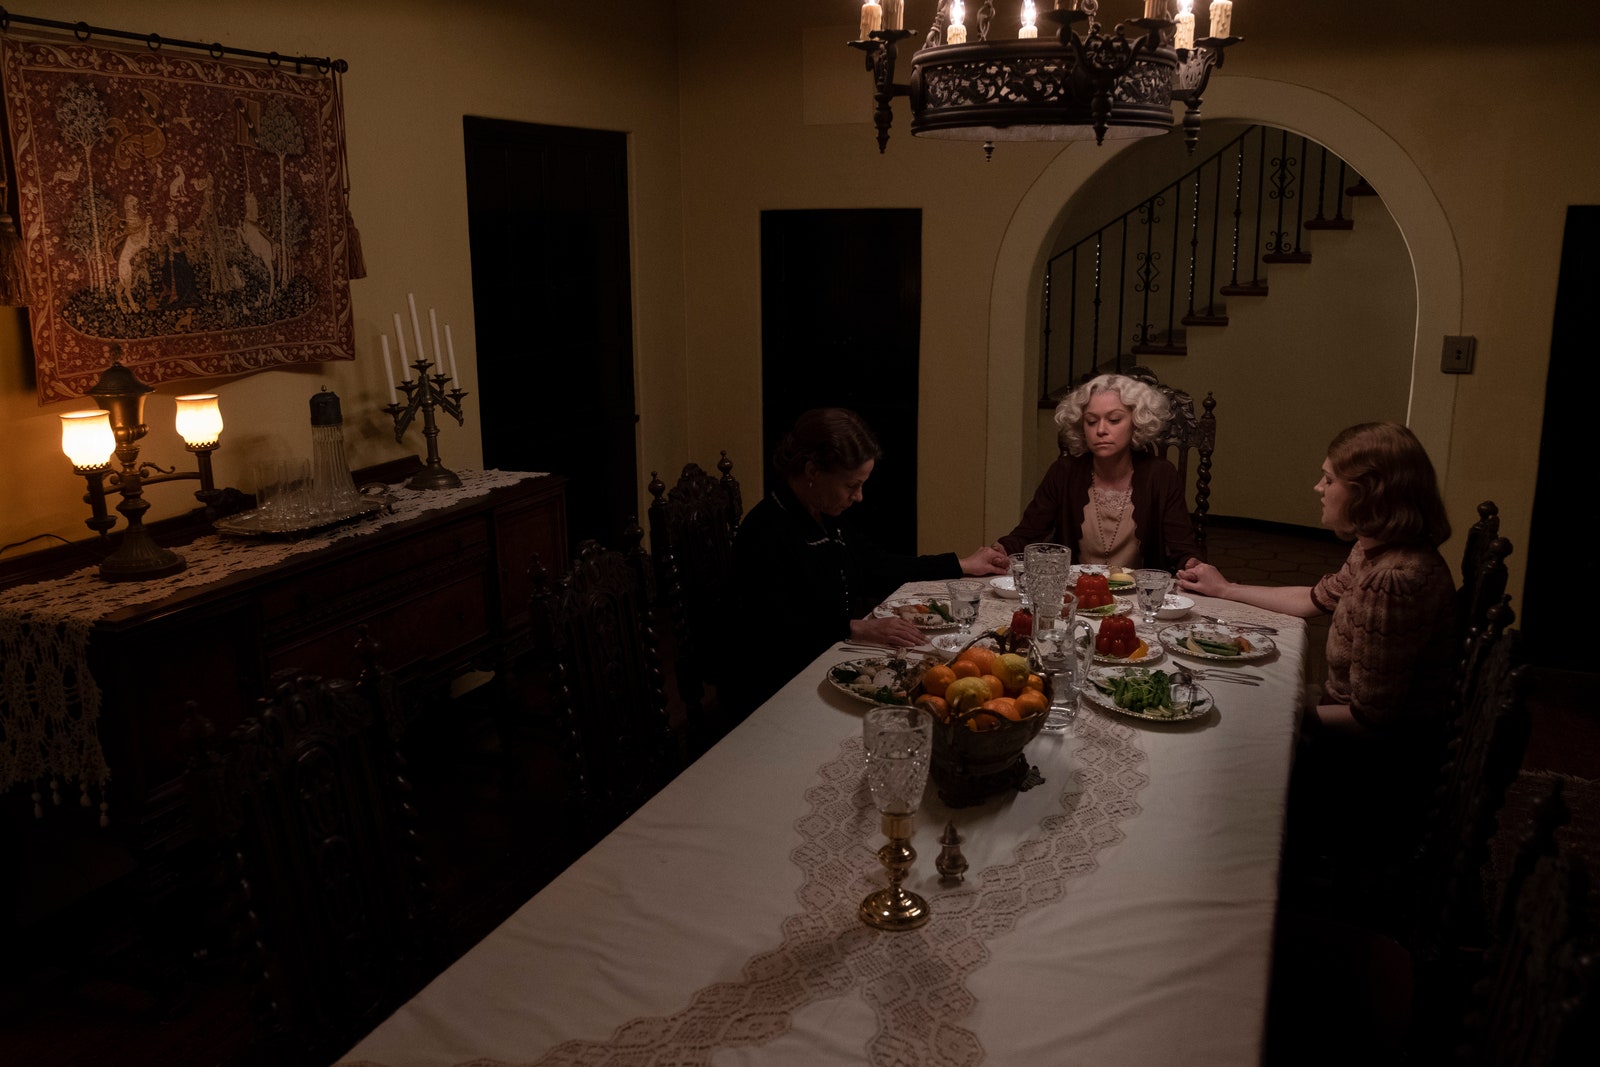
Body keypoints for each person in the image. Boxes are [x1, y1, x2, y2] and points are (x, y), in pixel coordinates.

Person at [1178, 422, 1456, 873]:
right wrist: (1226, 589)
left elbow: (1372, 723)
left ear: (1368, 494)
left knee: (1216, 759)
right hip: (1349, 731)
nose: (1318, 487)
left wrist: (1276, 713)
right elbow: (1316, 598)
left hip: (1371, 775)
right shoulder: (1376, 550)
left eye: (1329, 479)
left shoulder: (1391, 582)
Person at [725, 408, 1008, 715]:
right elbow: (774, 630)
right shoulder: (766, 531)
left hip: (823, 657)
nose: (858, 497)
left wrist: (962, 564)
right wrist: (853, 628)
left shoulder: (820, 513)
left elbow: (876, 564)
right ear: (811, 471)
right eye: (851, 485)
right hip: (777, 690)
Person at [995, 374, 1201, 571]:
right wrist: (1000, 550)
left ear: (1136, 423)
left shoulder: (1161, 475)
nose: (1101, 430)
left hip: (1140, 599)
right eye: (1091, 421)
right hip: (1075, 596)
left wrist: (1192, 564)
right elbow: (1027, 534)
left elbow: (1182, 549)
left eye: (1114, 420)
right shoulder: (1063, 472)